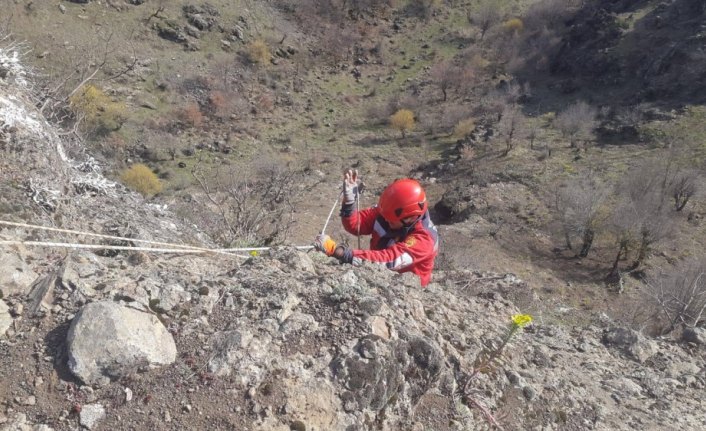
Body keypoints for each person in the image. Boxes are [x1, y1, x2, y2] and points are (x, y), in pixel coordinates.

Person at [314, 169, 439, 287]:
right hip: (378, 279)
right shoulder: (386, 212)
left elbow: (389, 261)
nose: (385, 220)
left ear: (409, 218)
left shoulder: (425, 239)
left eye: (390, 219)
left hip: (406, 291)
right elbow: (356, 225)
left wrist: (338, 252)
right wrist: (349, 203)